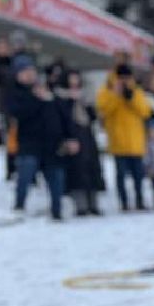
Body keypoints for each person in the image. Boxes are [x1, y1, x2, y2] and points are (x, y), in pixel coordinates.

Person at [6, 57, 75, 219]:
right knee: (25, 174)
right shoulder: (15, 94)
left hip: (53, 143)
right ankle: (19, 205)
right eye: (24, 72)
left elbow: (65, 116)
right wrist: (37, 99)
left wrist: (70, 137)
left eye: (31, 71)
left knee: (56, 177)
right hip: (29, 143)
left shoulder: (50, 91)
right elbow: (19, 114)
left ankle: (57, 210)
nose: (29, 75)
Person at [96, 63, 153, 211]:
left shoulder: (136, 91)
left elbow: (145, 112)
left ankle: (140, 200)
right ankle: (124, 202)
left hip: (135, 141)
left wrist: (130, 97)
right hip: (118, 141)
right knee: (120, 175)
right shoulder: (106, 91)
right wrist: (116, 95)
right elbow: (103, 110)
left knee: (138, 175)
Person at [56, 70, 105, 216]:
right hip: (73, 135)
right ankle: (81, 205)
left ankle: (94, 203)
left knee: (92, 169)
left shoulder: (85, 97)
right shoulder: (61, 98)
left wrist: (86, 103)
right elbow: (62, 118)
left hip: (87, 136)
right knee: (77, 171)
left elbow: (93, 116)